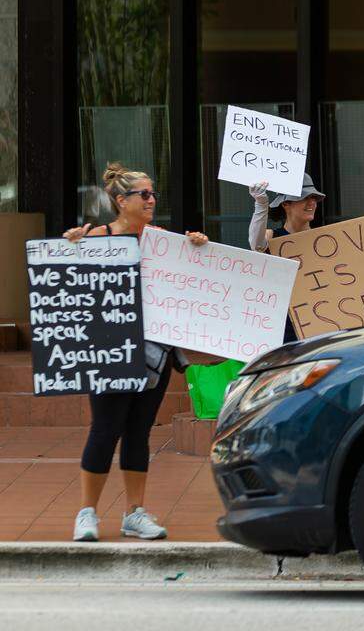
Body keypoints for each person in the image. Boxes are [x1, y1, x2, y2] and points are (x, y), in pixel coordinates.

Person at [62, 163, 210, 542]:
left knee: (138, 432)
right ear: (119, 200)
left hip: (154, 350)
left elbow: (188, 282)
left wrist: (195, 249)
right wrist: (69, 247)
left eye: (152, 193)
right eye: (143, 194)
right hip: (109, 351)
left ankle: (134, 512)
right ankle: (87, 513)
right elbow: (70, 287)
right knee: (105, 428)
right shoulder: (97, 238)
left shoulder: (162, 239)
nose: (151, 200)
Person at [247, 173, 326, 343]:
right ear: (286, 204)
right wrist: (261, 205)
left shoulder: (326, 241)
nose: (311, 202)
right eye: (304, 198)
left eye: (314, 198)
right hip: (283, 330)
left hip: (322, 325)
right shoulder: (272, 237)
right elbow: (256, 244)